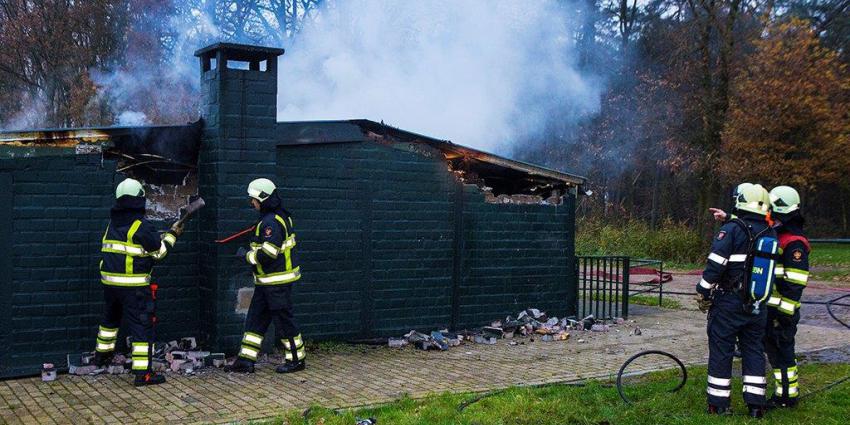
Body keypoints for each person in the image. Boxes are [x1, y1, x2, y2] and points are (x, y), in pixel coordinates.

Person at [94, 178, 182, 386]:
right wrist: (172, 235)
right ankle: (143, 375)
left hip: (110, 287)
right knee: (141, 329)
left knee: (109, 322)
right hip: (134, 289)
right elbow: (159, 253)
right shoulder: (140, 226)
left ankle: (102, 356)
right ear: (139, 200)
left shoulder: (111, 225)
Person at [696, 183, 774, 418]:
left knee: (722, 350)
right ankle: (756, 406)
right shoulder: (769, 232)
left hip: (729, 303)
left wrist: (703, 289)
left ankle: (719, 405)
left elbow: (716, 264)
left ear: (740, 200)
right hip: (758, 304)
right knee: (753, 350)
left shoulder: (731, 229)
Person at [227, 178, 306, 374]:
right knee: (255, 320)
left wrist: (246, 256)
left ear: (262, 198)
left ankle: (297, 360)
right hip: (266, 283)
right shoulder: (276, 217)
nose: (251, 203)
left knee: (284, 322)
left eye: (253, 199)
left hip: (277, 282)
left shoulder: (271, 222)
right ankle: (246, 360)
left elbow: (269, 254)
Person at [764, 186, 809, 408]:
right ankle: (783, 394)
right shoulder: (780, 235)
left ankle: (787, 397)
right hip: (774, 308)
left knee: (783, 354)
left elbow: (795, 284)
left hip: (783, 311)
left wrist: (783, 314)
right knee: (775, 354)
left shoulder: (794, 243)